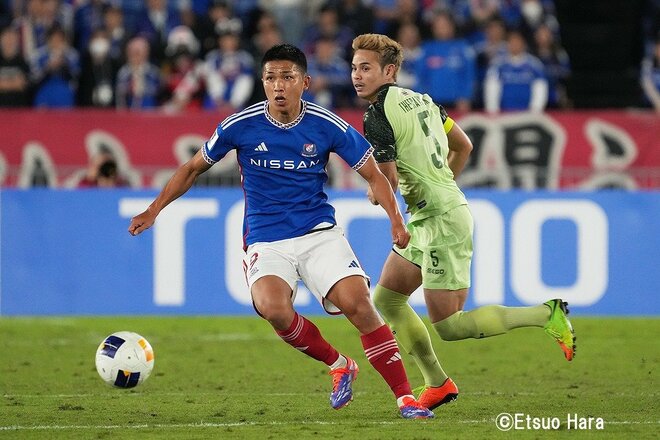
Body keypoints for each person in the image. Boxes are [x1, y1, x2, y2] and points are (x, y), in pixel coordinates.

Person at [128, 43, 434, 419]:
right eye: (271, 77)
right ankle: (340, 364)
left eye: (287, 77)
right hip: (266, 238)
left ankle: (405, 398)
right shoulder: (240, 125)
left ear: (304, 82)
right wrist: (154, 209)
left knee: (360, 306)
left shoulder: (327, 124)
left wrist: (396, 220)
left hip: (318, 232)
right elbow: (193, 168)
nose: (278, 85)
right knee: (273, 309)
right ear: (262, 82)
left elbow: (373, 174)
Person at [350, 33, 576, 411]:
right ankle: (437, 384)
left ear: (389, 71)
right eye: (355, 67)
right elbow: (464, 146)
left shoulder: (377, 115)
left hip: (439, 221)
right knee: (388, 299)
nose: (357, 75)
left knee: (450, 326)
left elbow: (386, 182)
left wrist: (378, 195)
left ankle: (545, 314)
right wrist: (441, 188)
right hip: (435, 213)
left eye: (366, 68)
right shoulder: (423, 100)